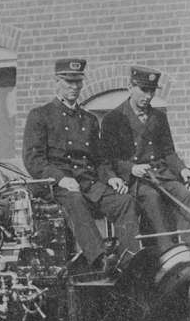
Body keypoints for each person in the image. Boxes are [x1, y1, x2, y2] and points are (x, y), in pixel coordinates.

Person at [23, 58, 141, 270]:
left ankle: (130, 259)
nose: (74, 88)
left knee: (124, 201)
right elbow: (33, 160)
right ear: (57, 82)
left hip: (88, 182)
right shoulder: (41, 116)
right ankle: (101, 259)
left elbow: (100, 160)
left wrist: (112, 177)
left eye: (78, 83)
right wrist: (61, 179)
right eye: (69, 82)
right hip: (55, 187)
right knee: (75, 199)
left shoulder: (89, 119)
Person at [100, 65, 190, 254]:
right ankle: (166, 252)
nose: (148, 96)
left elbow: (169, 152)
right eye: (144, 90)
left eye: (152, 91)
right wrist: (131, 168)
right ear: (130, 88)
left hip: (161, 174)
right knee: (152, 199)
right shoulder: (113, 119)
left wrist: (182, 170)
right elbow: (109, 158)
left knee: (186, 196)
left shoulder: (159, 117)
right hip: (137, 181)